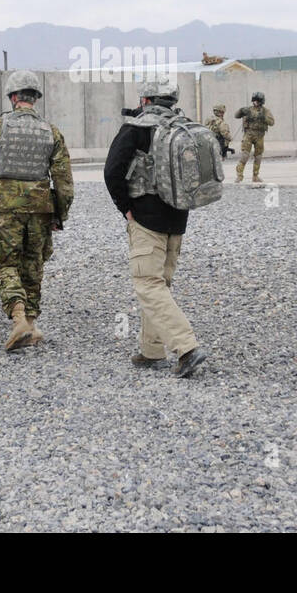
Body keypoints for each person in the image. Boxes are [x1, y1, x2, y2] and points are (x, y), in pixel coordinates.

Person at [104, 79, 207, 378]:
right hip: (177, 219)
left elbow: (112, 171)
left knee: (147, 284)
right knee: (160, 283)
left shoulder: (136, 127)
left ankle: (186, 348)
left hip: (146, 218)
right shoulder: (184, 127)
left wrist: (126, 208)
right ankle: (151, 350)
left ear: (146, 99)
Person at [0, 70, 73, 351]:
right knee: (33, 266)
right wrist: (59, 215)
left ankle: (18, 320)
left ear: (13, 97)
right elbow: (64, 182)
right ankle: (31, 322)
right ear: (35, 98)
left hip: (6, 209)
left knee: (6, 264)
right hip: (40, 209)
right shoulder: (51, 131)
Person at [234, 91, 275, 183]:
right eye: (254, 100)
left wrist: (264, 117)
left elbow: (272, 122)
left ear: (261, 102)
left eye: (257, 101)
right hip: (248, 135)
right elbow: (236, 116)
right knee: (245, 156)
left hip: (259, 136)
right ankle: (239, 176)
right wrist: (241, 110)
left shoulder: (265, 111)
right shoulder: (248, 110)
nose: (255, 102)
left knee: (258, 157)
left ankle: (255, 176)